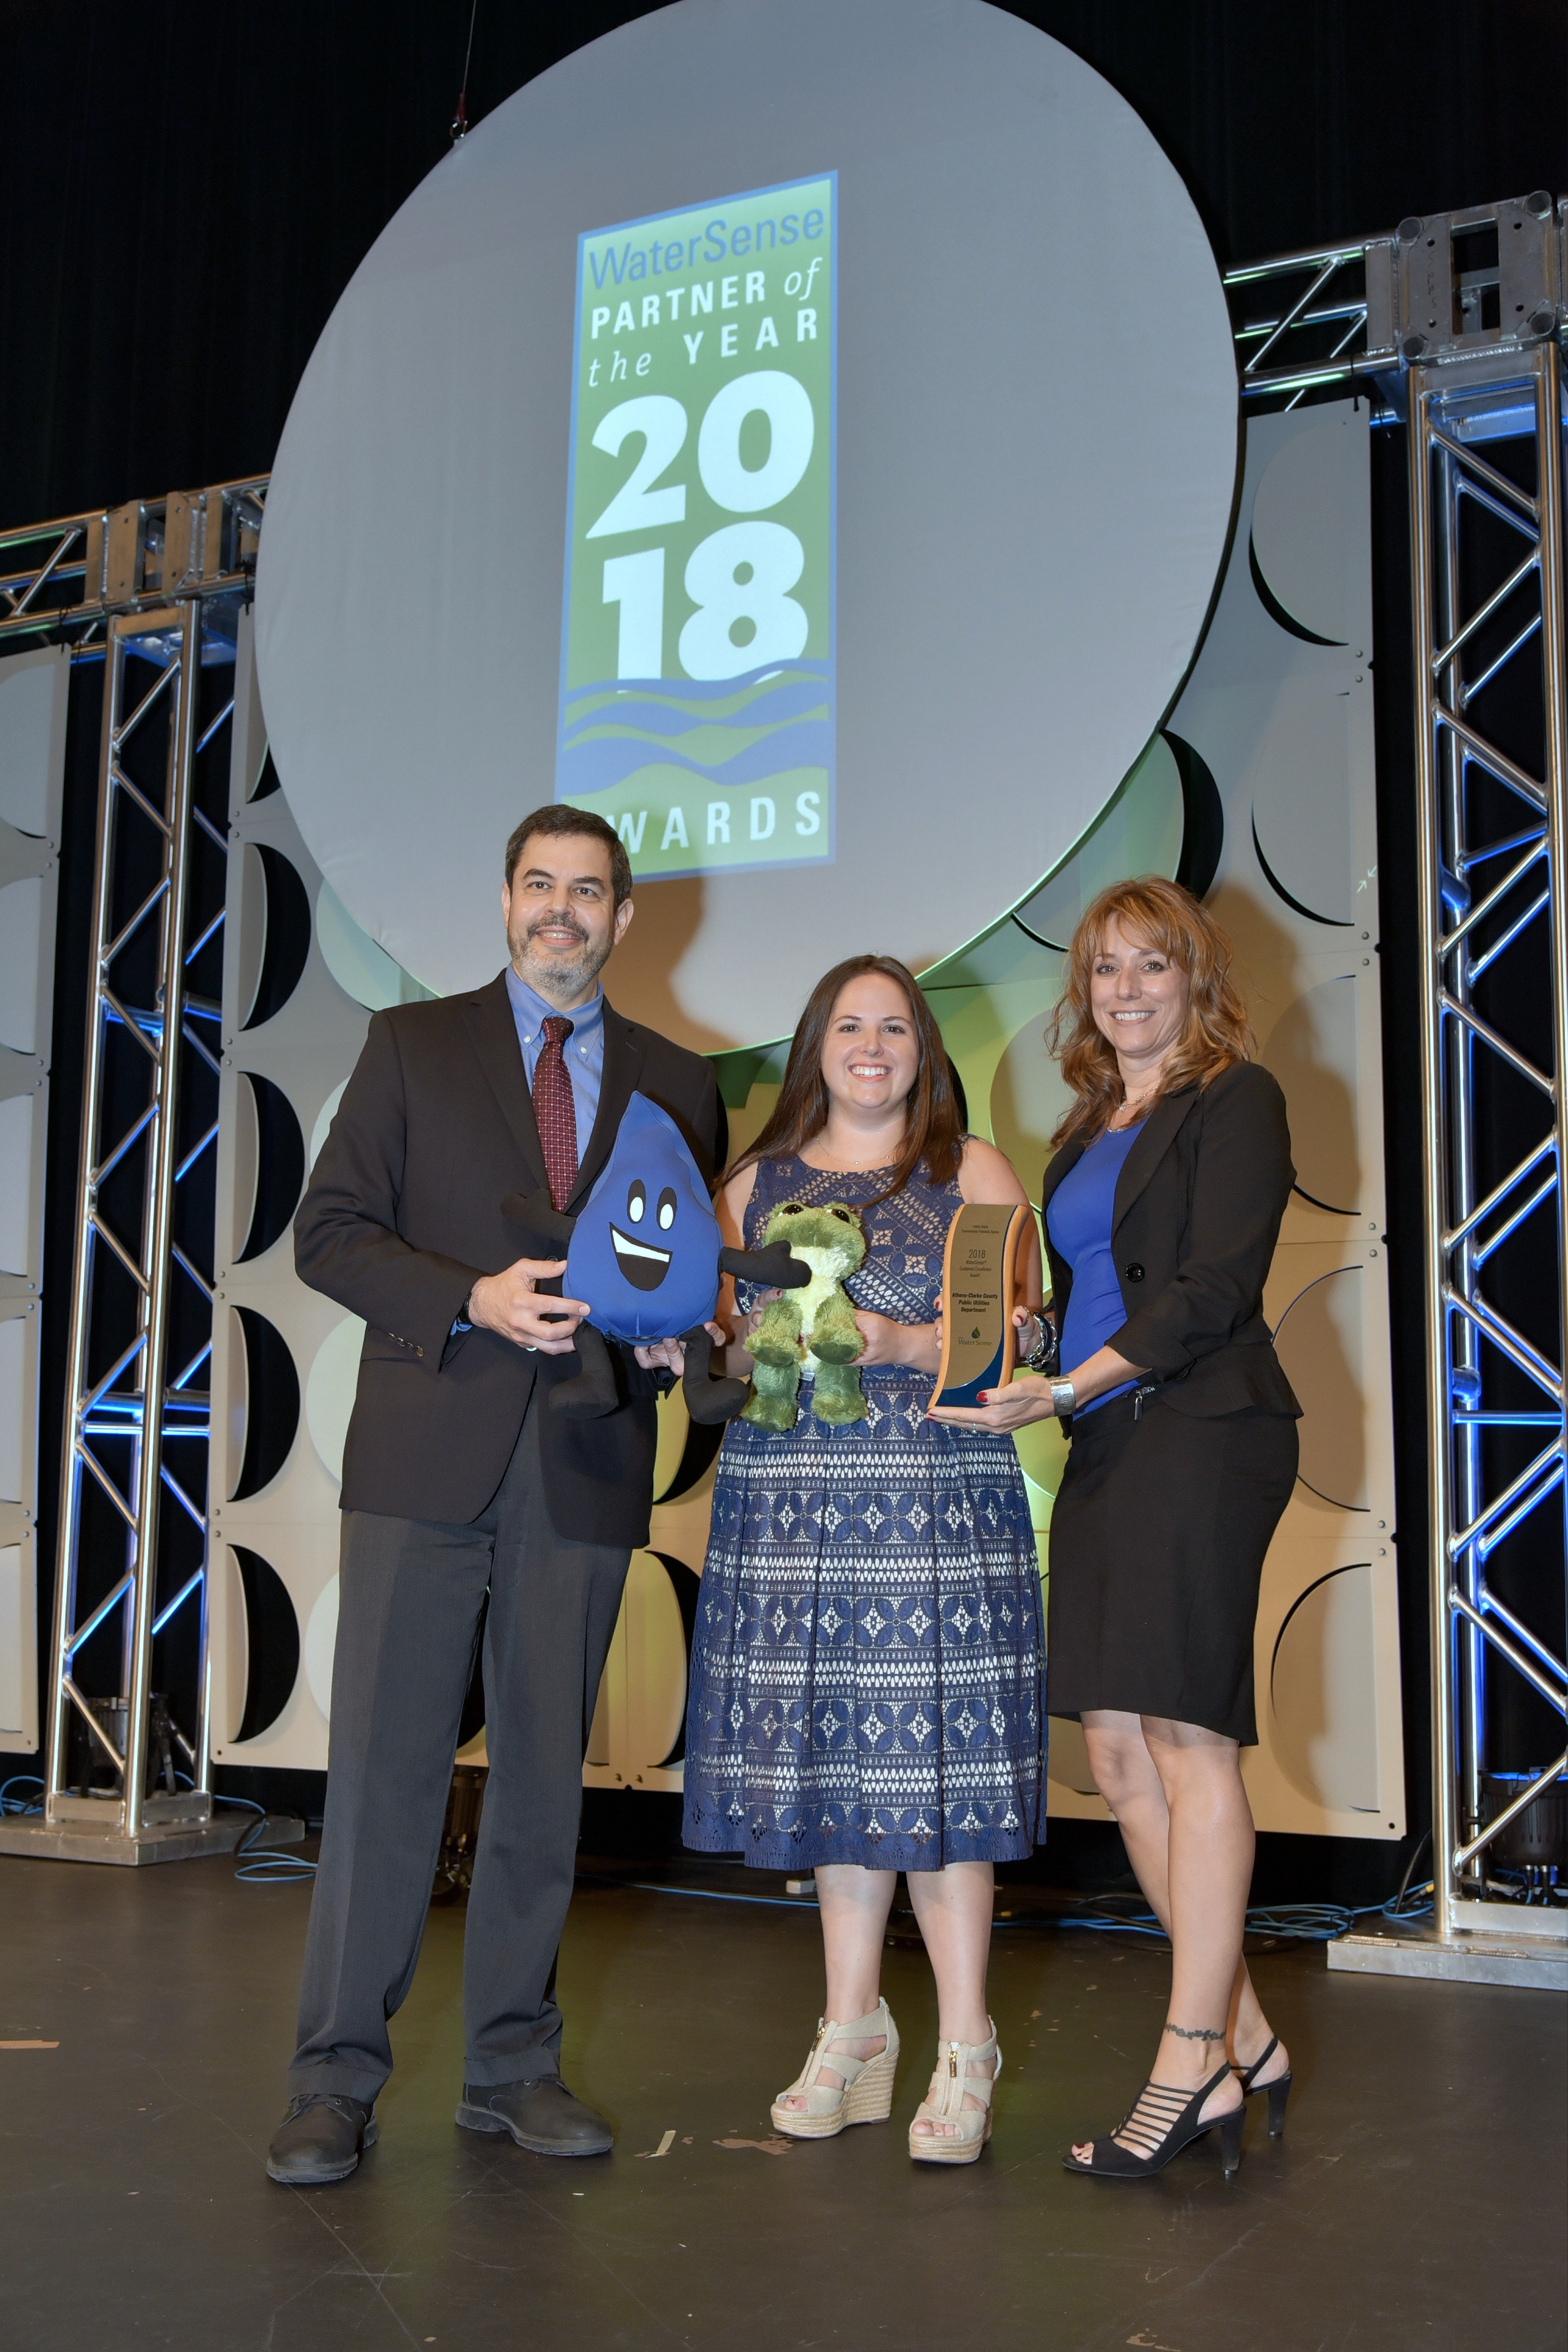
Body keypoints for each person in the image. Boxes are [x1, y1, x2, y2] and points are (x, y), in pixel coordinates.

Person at [266, 805, 721, 2186]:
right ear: (506, 900)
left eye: (591, 891)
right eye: (542, 885)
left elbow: (685, 1285)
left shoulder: (677, 1083)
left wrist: (673, 1339)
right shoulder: (412, 1047)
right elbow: (329, 1232)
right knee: (387, 1781)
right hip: (423, 1456)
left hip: (584, 1464)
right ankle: (334, 2077)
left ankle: (511, 2067)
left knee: (541, 1784)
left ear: (625, 919)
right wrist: (463, 1298)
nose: (563, 912)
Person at [932, 876, 1300, 2182]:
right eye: (1104, 970)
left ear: (1197, 979)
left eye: (1154, 966)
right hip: (1102, 1435)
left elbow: (1214, 1288)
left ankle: (1187, 2050)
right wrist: (1024, 1341)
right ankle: (1246, 2033)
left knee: (1188, 1737)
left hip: (1201, 1431)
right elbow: (1083, 1292)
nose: (1128, 990)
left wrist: (1073, 1379)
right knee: (1115, 1746)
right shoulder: (1087, 1126)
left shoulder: (1235, 1099)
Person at [683, 954, 1045, 2166]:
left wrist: (900, 1338)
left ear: (924, 1052)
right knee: (839, 1772)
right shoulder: (751, 1182)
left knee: (935, 1777)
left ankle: (964, 2045)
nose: (874, 1045)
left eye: (895, 1026)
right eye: (850, 1024)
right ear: (815, 1046)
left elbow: (1023, 1330)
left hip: (935, 1507)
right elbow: (725, 1355)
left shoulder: (972, 1172)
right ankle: (851, 2031)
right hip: (791, 1510)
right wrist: (691, 1347)